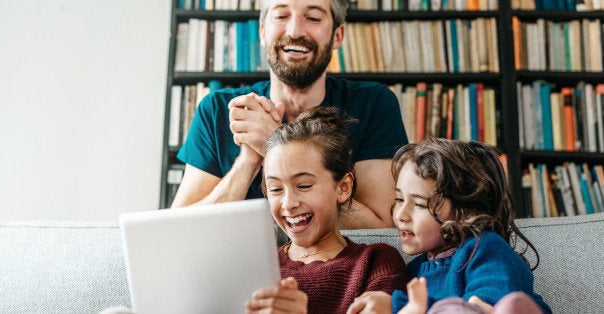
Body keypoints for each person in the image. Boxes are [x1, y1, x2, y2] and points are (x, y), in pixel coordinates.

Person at [170, 0, 408, 229]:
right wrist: (247, 162)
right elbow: (178, 229)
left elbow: (381, 227)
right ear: (263, 31)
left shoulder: (374, 103)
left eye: (313, 17)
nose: (294, 31)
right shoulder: (218, 108)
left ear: (337, 35)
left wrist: (273, 145)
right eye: (281, 15)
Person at [347, 138, 552, 314]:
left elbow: (486, 305)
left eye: (419, 204)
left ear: (466, 211)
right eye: (399, 199)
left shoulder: (485, 248)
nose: (400, 215)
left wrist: (399, 306)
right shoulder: (415, 270)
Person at [245, 106, 409, 313]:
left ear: (343, 187)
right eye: (275, 189)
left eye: (304, 186)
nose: (288, 203)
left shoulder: (376, 261)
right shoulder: (257, 268)